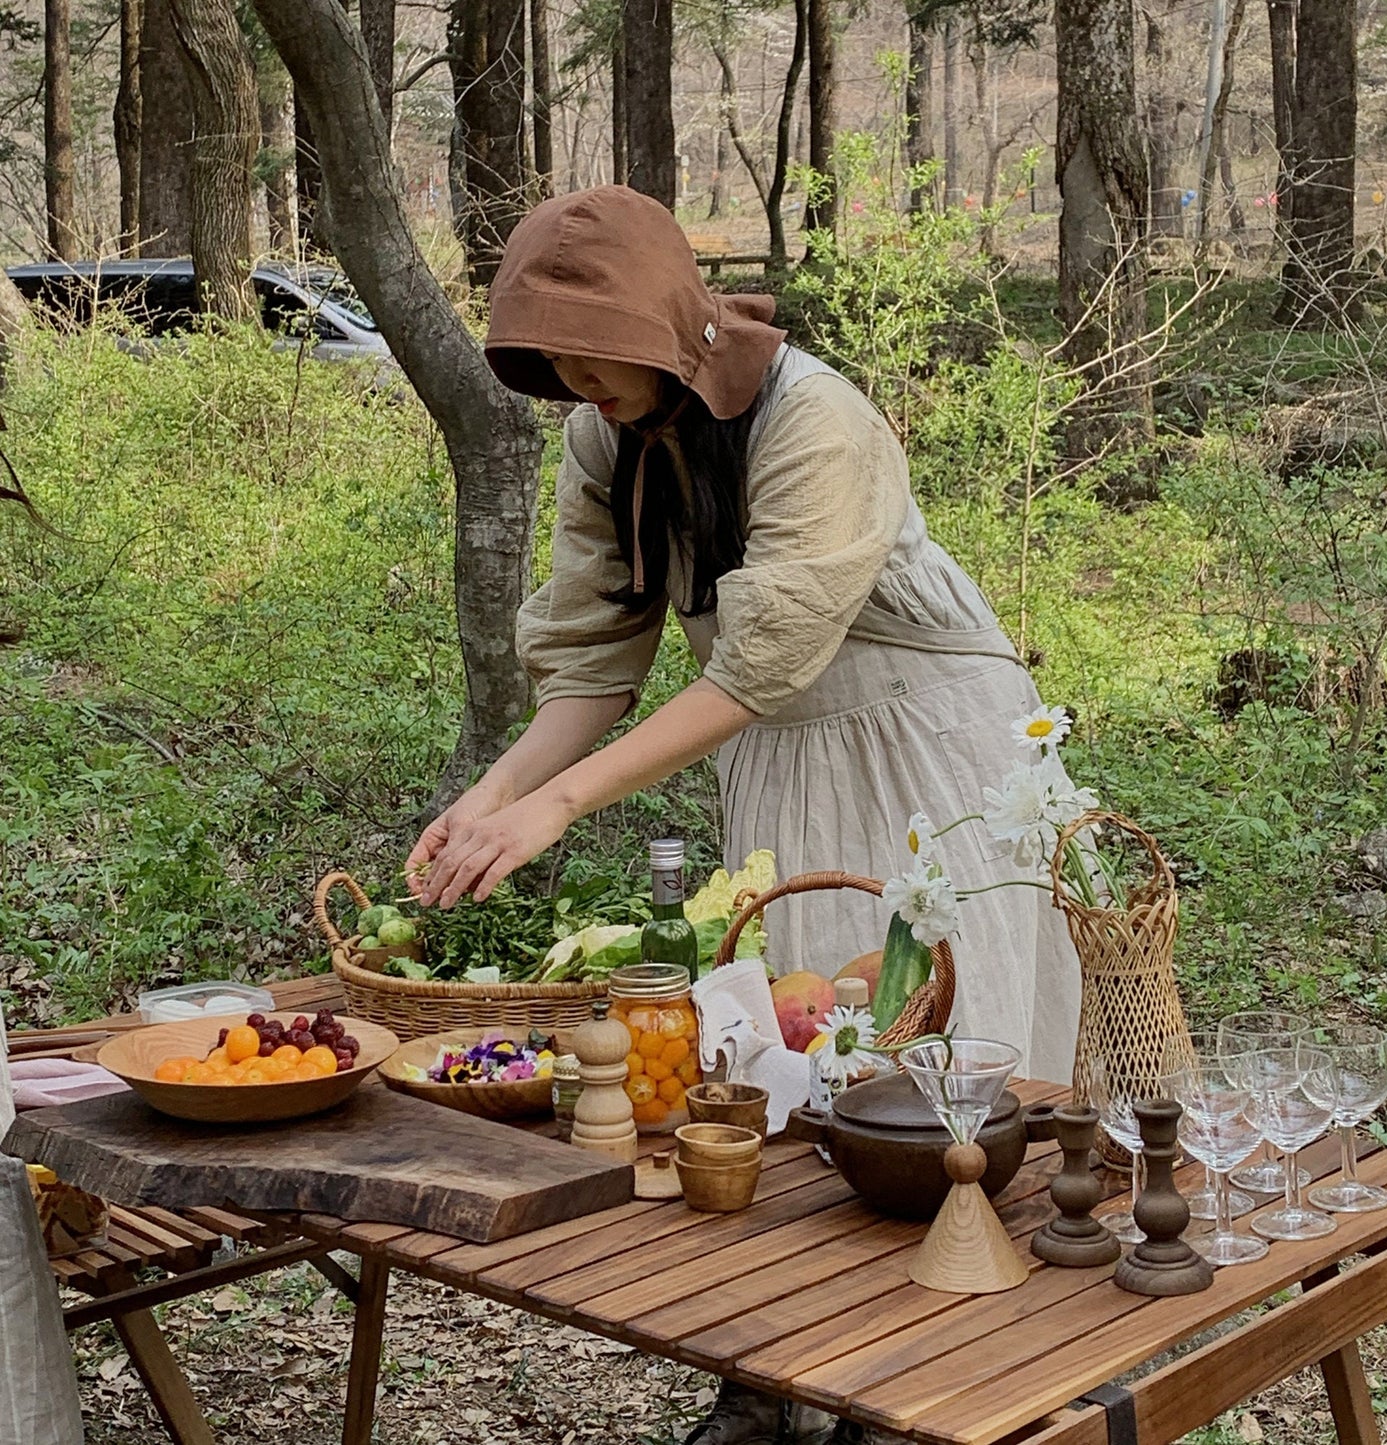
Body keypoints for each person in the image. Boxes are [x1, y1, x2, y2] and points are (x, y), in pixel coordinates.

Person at [406, 186, 1083, 1443]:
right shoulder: (604, 436)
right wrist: (493, 796)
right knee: (776, 1068)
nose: (566, 379)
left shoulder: (813, 416)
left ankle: (923, 1389)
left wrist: (556, 805)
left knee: (932, 1064)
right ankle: (770, 1376)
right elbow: (595, 665)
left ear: (663, 322)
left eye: (582, 349)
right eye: (543, 355)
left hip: (922, 745)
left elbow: (759, 656)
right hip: (773, 748)